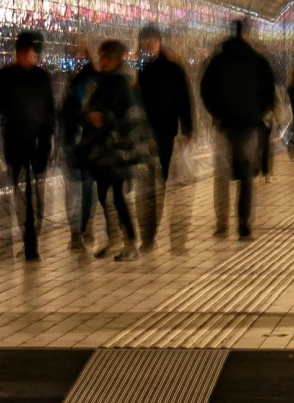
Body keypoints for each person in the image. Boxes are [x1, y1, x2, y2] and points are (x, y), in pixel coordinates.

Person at [0, 29, 57, 260]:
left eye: (33, 53)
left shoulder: (40, 77)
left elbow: (49, 113)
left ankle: (31, 239)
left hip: (37, 144)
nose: (30, 57)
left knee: (35, 192)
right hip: (15, 142)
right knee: (20, 193)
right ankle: (26, 241)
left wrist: (48, 140)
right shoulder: (7, 76)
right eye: (27, 52)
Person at [199, 18, 276, 238]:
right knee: (246, 174)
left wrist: (217, 114)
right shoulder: (258, 62)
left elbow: (205, 91)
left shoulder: (217, 62)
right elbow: (269, 93)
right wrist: (258, 114)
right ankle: (244, 224)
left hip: (224, 125)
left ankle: (222, 223)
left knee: (222, 175)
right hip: (250, 126)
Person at [79, 40, 143, 261]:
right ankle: (116, 239)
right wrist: (90, 116)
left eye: (106, 57)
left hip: (116, 152)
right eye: (101, 57)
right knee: (104, 195)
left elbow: (130, 118)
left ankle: (131, 242)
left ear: (116, 59)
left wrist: (105, 118)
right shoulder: (99, 82)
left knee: (117, 197)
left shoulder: (122, 83)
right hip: (100, 152)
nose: (102, 61)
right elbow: (85, 109)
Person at [135, 25, 195, 249]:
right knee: (148, 189)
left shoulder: (172, 69)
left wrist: (188, 128)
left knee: (159, 187)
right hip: (143, 138)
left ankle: (159, 236)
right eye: (146, 40)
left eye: (153, 40)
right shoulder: (139, 70)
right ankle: (148, 236)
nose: (149, 44)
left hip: (165, 136)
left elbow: (183, 100)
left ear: (159, 42)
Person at [59, 37, 100, 251]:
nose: (74, 54)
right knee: (80, 187)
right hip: (75, 141)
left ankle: (81, 229)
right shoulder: (74, 79)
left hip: (84, 141)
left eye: (78, 49)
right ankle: (79, 230)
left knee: (83, 186)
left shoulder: (86, 79)